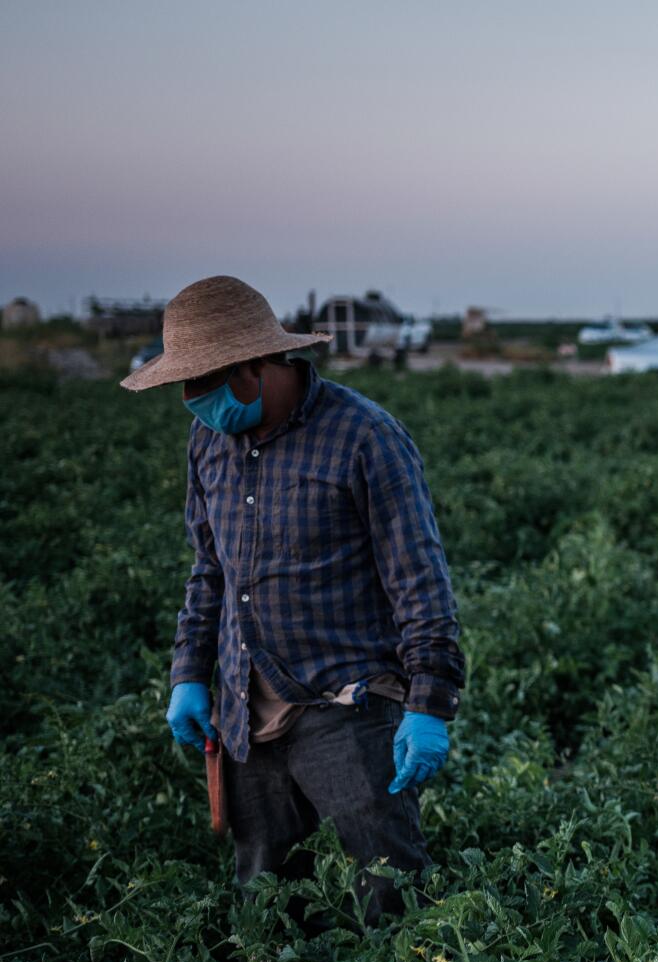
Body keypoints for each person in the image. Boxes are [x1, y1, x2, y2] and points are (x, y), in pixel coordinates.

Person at [122, 276, 464, 928]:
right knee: (267, 902)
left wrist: (431, 702)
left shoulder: (364, 436)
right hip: (244, 711)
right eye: (186, 389)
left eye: (206, 383)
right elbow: (208, 572)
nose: (197, 403)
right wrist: (188, 674)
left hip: (348, 704)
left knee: (390, 896)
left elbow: (419, 580)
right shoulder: (207, 446)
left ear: (258, 363)